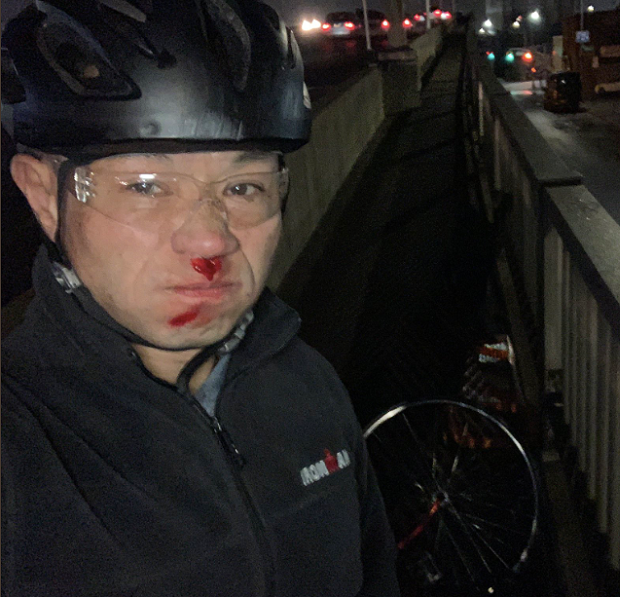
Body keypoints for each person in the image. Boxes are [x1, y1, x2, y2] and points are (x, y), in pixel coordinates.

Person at [0, 1, 400, 595]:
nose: (210, 240)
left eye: (244, 187)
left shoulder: (309, 383)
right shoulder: (20, 448)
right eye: (144, 186)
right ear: (43, 198)